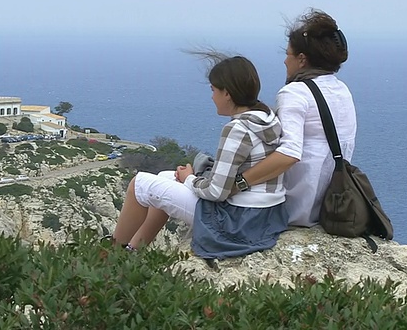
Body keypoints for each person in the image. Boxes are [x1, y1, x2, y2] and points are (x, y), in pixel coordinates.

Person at [112, 54, 288, 258]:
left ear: (227, 94)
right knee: (164, 178)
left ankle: (113, 255)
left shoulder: (238, 129)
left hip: (237, 221)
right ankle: (132, 252)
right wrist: (190, 179)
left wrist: (190, 179)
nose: (212, 96)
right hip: (266, 215)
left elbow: (216, 192)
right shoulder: (267, 118)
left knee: (139, 184)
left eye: (214, 90)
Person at [239, 9, 356, 227]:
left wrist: (239, 182)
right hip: (332, 204)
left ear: (301, 59)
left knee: (168, 184)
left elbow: (289, 153)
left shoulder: (295, 93)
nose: (285, 61)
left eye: (288, 54)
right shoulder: (342, 90)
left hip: (295, 207)